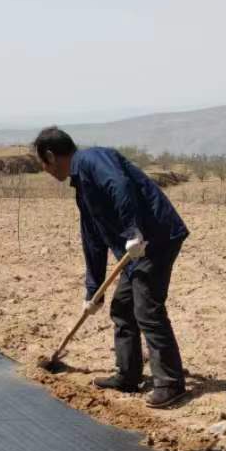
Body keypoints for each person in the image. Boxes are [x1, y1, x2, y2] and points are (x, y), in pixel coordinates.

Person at [34, 126, 190, 408]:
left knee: (147, 308)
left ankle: (170, 384)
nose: (44, 170)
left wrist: (132, 230)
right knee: (122, 306)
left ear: (50, 156)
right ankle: (128, 375)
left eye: (42, 163)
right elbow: (93, 239)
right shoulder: (82, 187)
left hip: (155, 237)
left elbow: (119, 185)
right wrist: (93, 292)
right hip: (136, 249)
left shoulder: (93, 159)